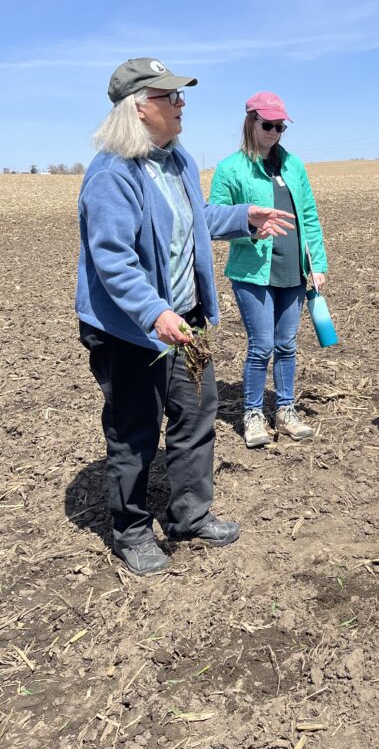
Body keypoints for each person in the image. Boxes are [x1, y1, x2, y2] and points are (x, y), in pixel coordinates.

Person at [77, 58, 294, 576]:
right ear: (138, 107)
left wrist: (244, 218)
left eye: (180, 95)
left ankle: (189, 515)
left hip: (184, 320)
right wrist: (154, 313)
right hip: (130, 330)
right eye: (169, 96)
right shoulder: (112, 174)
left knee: (197, 414)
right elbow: (112, 258)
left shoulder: (175, 161)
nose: (181, 104)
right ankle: (130, 530)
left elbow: (194, 220)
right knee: (134, 429)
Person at [210, 92, 328, 450]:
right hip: (252, 272)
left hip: (293, 270)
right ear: (251, 122)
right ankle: (252, 413)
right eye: (268, 125)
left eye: (280, 126)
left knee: (287, 345)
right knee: (261, 345)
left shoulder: (293, 165)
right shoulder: (230, 168)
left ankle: (286, 410)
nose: (275, 131)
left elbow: (309, 216)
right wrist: (250, 232)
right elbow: (213, 221)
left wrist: (317, 264)